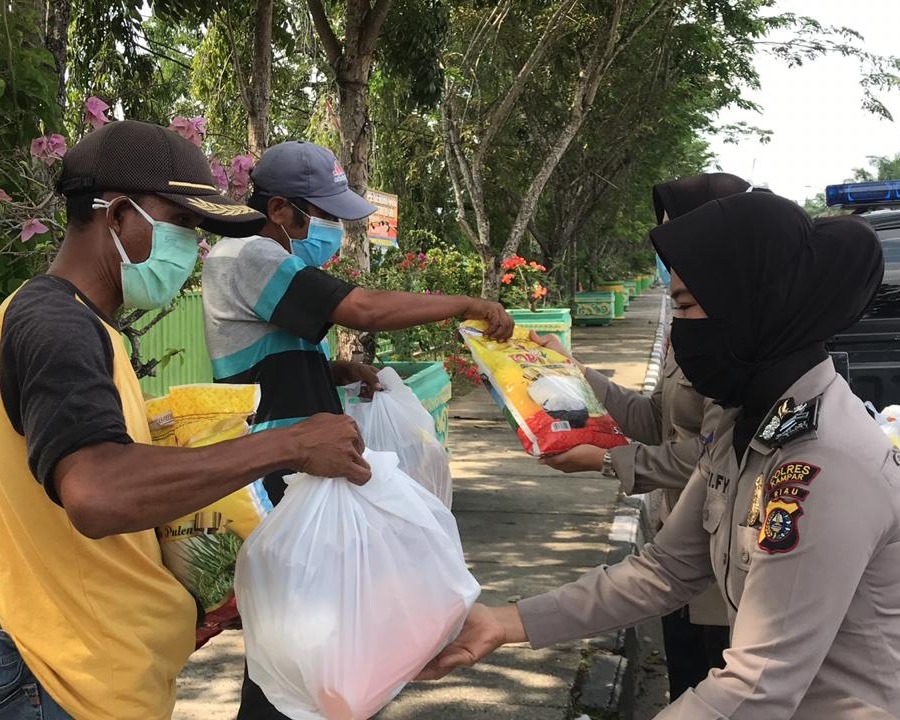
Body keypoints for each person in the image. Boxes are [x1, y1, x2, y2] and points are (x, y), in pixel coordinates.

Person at [419, 192, 900, 719]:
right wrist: (506, 622)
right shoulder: (745, 422)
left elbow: (756, 686)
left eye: (688, 307)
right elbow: (668, 569)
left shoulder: (823, 463)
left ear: (754, 303)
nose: (678, 329)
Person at [0, 120, 372, 720]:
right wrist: (289, 445)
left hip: (101, 673)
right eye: (182, 225)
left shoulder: (86, 326)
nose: (192, 248)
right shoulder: (54, 322)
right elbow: (97, 492)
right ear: (118, 215)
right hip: (64, 683)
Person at [199, 139, 514, 719]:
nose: (332, 228)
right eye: (320, 214)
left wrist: (333, 370)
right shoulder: (250, 256)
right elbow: (363, 308)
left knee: (304, 634)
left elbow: (263, 355)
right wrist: (464, 304)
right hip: (281, 470)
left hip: (300, 464)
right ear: (279, 211)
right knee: (300, 628)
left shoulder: (270, 260)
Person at [535, 172, 754, 700]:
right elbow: (654, 419)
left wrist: (605, 462)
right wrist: (577, 373)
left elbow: (708, 458)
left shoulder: (738, 339)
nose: (663, 248)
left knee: (713, 687)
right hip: (674, 535)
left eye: (672, 233)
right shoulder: (689, 328)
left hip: (719, 558)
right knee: (682, 678)